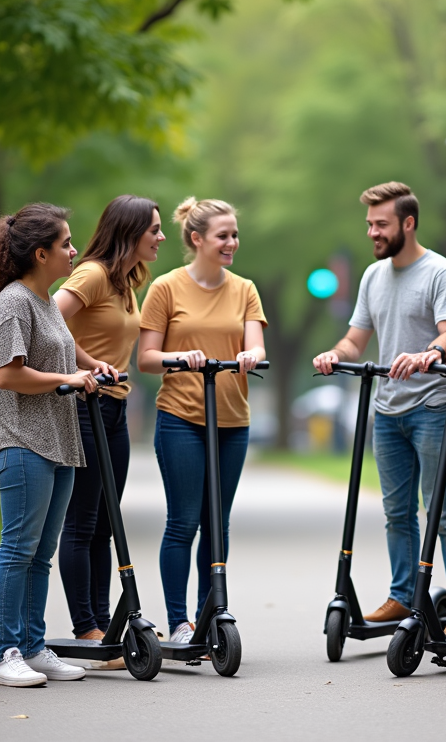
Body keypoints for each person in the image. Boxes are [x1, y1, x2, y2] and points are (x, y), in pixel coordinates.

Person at [312, 181, 446, 636]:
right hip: (386, 410)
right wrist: (335, 354)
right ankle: (403, 597)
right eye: (369, 224)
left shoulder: (440, 272)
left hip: (432, 405)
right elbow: (355, 338)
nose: (372, 233)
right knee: (396, 512)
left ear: (408, 223)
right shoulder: (372, 276)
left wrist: (430, 354)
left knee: (443, 509)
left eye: (381, 224)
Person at [137, 196, 267, 644]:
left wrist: (251, 355)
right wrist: (180, 357)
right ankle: (178, 623)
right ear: (197, 239)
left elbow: (256, 347)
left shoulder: (245, 288)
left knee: (218, 523)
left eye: (234, 234)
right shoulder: (166, 288)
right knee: (183, 521)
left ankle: (210, 615)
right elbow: (147, 359)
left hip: (233, 419)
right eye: (223, 235)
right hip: (181, 419)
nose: (232, 242)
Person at [0, 203, 99, 687]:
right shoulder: (13, 302)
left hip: (57, 441)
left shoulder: (46, 301)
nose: (74, 251)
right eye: (67, 243)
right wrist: (65, 378)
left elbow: (63, 354)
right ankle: (4, 654)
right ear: (41, 252)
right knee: (18, 548)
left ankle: (32, 646)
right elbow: (8, 374)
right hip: (21, 441)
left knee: (41, 552)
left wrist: (91, 370)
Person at [53, 195, 165, 665]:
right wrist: (82, 369)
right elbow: (48, 317)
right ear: (130, 231)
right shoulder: (94, 273)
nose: (161, 237)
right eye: (154, 229)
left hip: (114, 411)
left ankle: (105, 627)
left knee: (104, 523)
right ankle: (88, 627)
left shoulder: (127, 281)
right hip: (83, 408)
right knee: (81, 523)